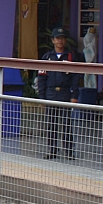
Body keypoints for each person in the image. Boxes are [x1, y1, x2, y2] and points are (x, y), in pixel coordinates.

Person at [36, 27, 83, 160]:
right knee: (51, 124)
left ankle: (69, 151)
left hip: (65, 93)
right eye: (57, 38)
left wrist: (74, 95)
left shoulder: (70, 57)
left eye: (62, 38)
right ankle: (52, 151)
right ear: (53, 40)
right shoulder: (47, 57)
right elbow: (41, 79)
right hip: (50, 93)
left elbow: (75, 78)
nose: (60, 41)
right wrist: (41, 97)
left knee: (67, 124)